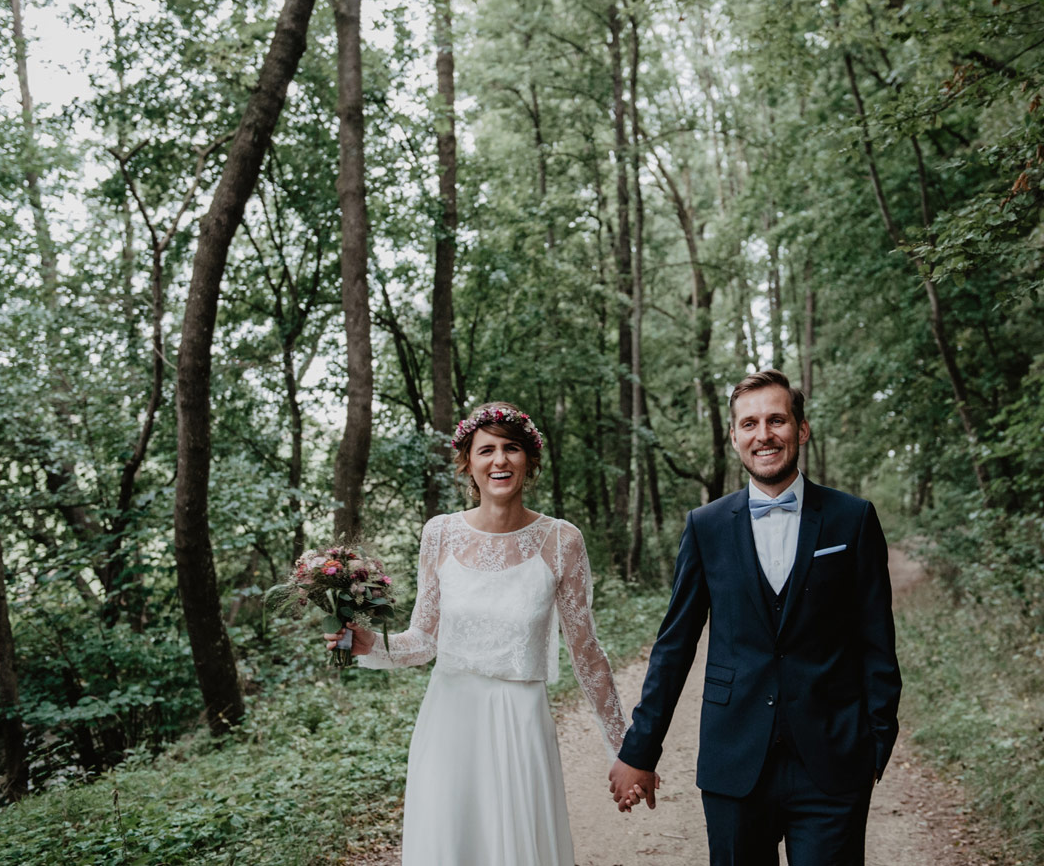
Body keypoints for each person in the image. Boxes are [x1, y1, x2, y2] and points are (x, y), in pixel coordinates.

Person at [607, 369, 902, 865]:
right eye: (749, 424)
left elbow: (877, 639)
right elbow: (674, 646)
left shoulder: (852, 518)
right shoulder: (705, 527)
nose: (763, 435)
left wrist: (876, 741)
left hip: (832, 763)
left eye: (776, 420)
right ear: (734, 437)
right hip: (734, 761)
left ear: (801, 430)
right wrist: (640, 750)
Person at [329, 401, 634, 866]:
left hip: (521, 722)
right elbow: (423, 641)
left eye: (511, 448)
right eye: (486, 449)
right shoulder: (440, 534)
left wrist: (626, 749)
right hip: (449, 721)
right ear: (468, 463)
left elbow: (587, 654)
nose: (499, 460)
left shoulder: (561, 540)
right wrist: (367, 644)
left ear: (529, 460)